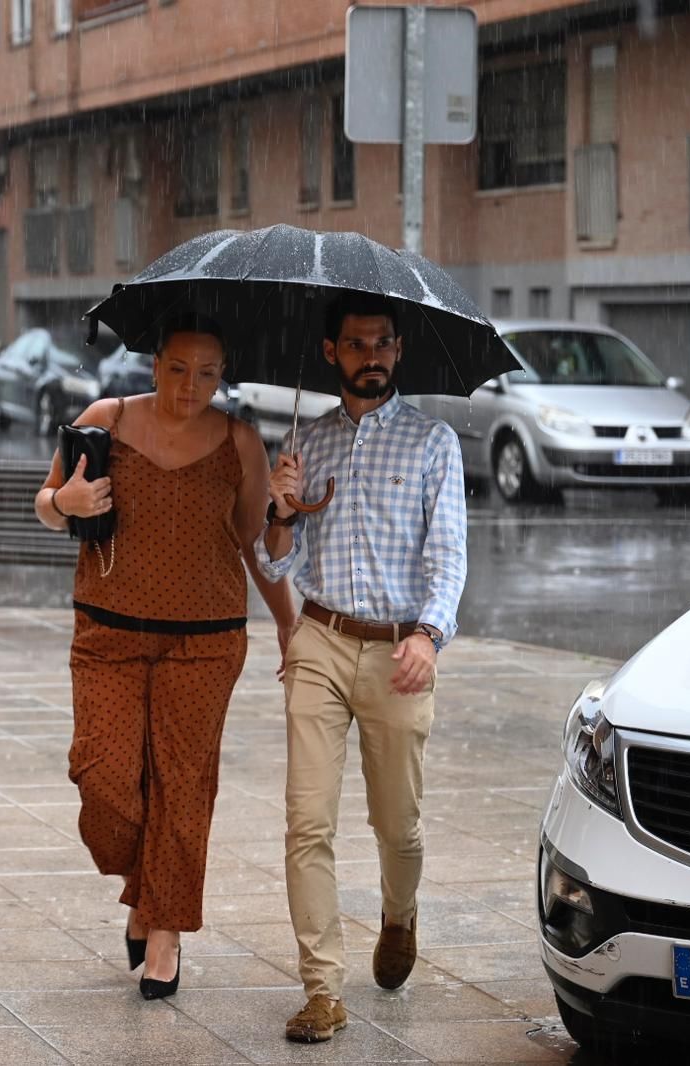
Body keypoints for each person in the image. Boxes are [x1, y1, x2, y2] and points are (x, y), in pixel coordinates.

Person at [33, 316, 297, 1000]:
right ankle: (144, 884)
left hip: (206, 640)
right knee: (105, 785)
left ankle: (164, 932)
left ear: (223, 375)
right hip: (107, 633)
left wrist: (282, 524)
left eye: (207, 372)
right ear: (154, 365)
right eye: (179, 368)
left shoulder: (241, 440)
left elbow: (252, 544)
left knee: (183, 787)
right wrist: (67, 499)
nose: (191, 385)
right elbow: (46, 504)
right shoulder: (106, 418)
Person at [256, 293, 467, 1042]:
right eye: (355, 344)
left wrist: (429, 637)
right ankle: (322, 991)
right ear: (330, 352)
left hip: (398, 651)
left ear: (399, 352)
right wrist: (279, 513)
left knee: (397, 826)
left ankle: (399, 914)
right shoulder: (303, 444)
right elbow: (277, 560)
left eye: (382, 343)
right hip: (318, 640)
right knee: (306, 821)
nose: (370, 355)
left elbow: (449, 558)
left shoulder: (434, 443)